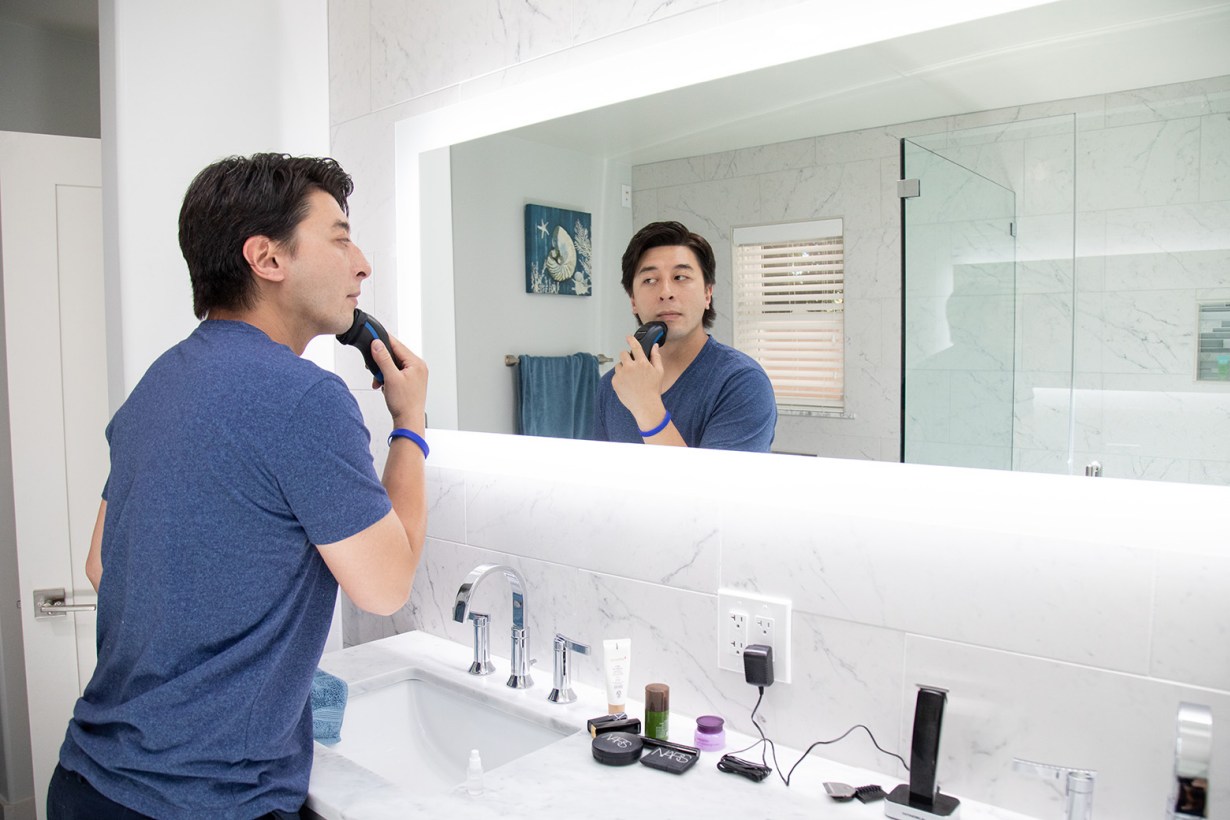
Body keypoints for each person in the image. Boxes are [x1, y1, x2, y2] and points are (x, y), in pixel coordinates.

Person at [47, 154, 428, 820]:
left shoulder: (159, 384)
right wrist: (410, 425)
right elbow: (386, 585)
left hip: (88, 784)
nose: (362, 263)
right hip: (204, 802)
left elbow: (101, 564)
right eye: (339, 237)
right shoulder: (306, 398)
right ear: (266, 258)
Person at [593, 221, 776, 451]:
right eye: (650, 280)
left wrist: (646, 405)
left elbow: (712, 487)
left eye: (680, 277)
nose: (666, 293)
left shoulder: (743, 383)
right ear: (633, 301)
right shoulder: (613, 386)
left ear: (707, 293)